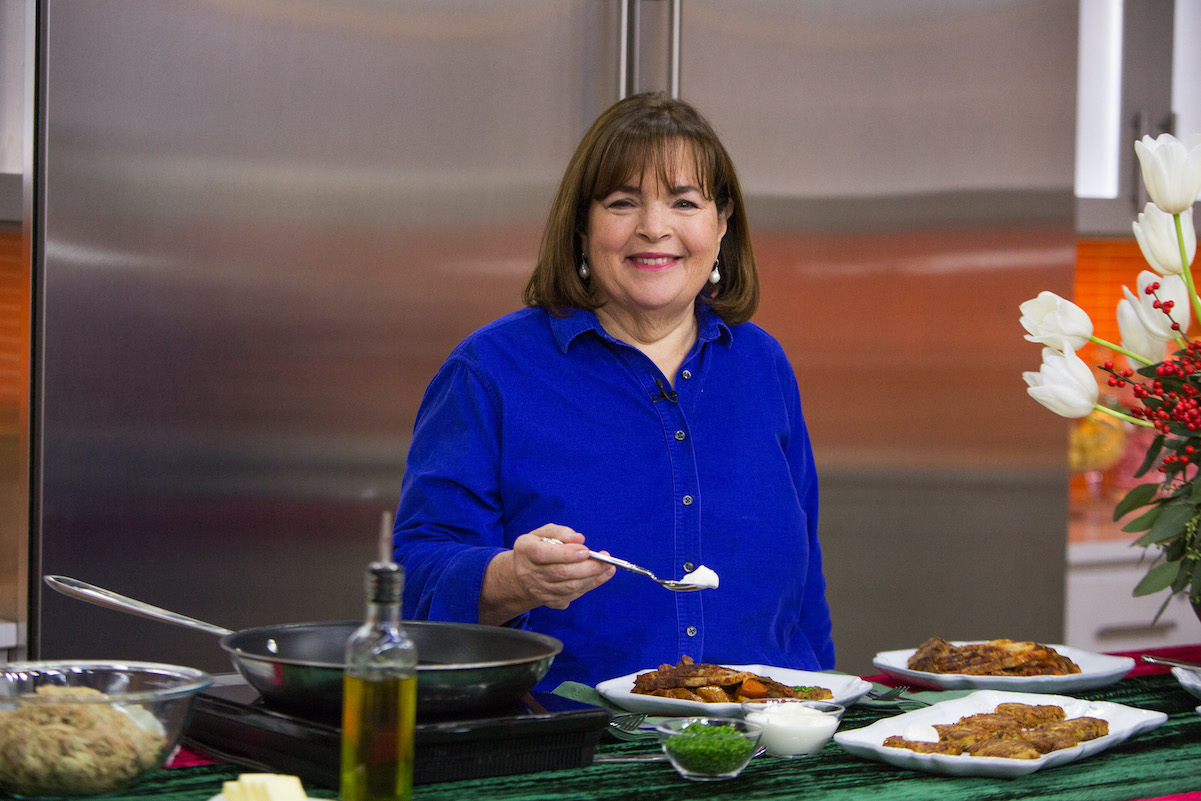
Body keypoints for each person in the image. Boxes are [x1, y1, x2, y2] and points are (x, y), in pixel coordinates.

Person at [393, 92, 834, 690]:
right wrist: (509, 579)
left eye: (685, 202)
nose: (655, 228)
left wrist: (820, 710)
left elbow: (804, 592)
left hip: (766, 747)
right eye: (623, 202)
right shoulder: (489, 371)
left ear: (722, 222)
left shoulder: (764, 365)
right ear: (581, 225)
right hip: (566, 750)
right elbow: (414, 577)